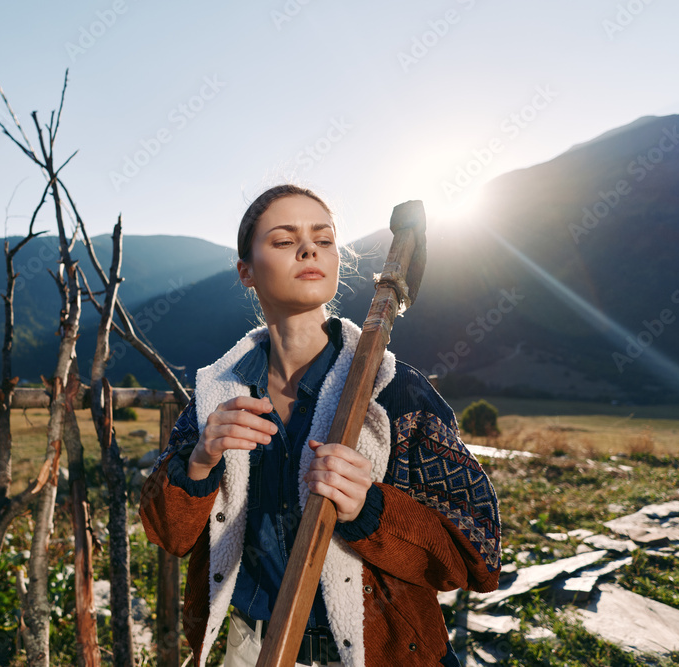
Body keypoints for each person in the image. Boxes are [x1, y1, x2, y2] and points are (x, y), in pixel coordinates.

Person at [140, 184, 501, 667]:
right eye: (284, 241)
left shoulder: (395, 394)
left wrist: (370, 509)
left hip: (383, 654)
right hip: (252, 651)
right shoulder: (218, 396)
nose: (309, 248)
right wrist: (200, 460)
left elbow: (477, 554)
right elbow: (169, 534)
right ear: (246, 271)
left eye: (324, 238)